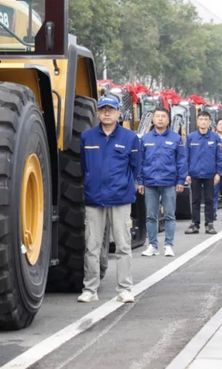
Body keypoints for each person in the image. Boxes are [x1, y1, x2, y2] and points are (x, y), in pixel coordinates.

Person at [78, 95, 141, 304]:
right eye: (103, 109)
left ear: (118, 113)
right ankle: (90, 289)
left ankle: (125, 289)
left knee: (123, 246)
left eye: (111, 109)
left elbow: (136, 166)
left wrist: (128, 187)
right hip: (94, 199)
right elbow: (84, 167)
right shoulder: (87, 137)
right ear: (97, 112)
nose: (106, 113)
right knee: (92, 246)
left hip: (120, 199)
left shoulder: (130, 138)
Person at [138, 107, 187, 258]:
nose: (160, 119)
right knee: (150, 215)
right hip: (150, 182)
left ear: (168, 120)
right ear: (152, 119)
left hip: (169, 182)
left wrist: (180, 181)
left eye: (163, 116)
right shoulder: (145, 139)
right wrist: (140, 181)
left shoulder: (175, 138)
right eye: (157, 116)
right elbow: (140, 162)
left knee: (169, 216)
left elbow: (181, 161)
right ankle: (152, 245)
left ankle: (168, 245)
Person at [185, 111, 222, 235]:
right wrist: (187, 173)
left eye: (206, 119)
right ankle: (195, 224)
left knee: (209, 200)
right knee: (195, 200)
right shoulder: (191, 137)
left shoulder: (215, 137)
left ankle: (209, 224)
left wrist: (218, 173)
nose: (203, 121)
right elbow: (186, 156)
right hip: (194, 173)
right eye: (201, 119)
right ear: (197, 121)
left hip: (209, 174)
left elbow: (219, 157)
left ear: (209, 122)